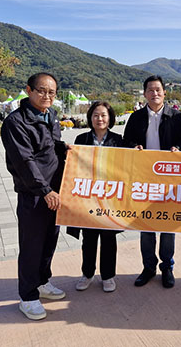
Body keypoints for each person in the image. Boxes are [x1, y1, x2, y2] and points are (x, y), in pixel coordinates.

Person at [1, 72, 68, 321]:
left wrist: (65, 149)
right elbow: (24, 161)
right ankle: (28, 296)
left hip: (54, 192)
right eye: (42, 90)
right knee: (31, 245)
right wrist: (45, 190)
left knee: (49, 240)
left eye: (52, 92)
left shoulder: (50, 116)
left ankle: (42, 282)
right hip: (34, 194)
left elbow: (51, 146)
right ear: (28, 90)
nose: (47, 96)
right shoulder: (15, 122)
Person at [123, 75, 181, 288]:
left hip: (169, 178)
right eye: (150, 90)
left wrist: (178, 149)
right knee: (147, 223)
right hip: (144, 178)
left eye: (158, 90)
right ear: (144, 94)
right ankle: (148, 267)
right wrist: (134, 147)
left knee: (168, 224)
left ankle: (167, 267)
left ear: (164, 93)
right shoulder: (136, 117)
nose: (155, 93)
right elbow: (127, 141)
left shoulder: (176, 117)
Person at [67, 101, 123, 293]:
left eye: (104, 115)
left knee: (108, 239)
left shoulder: (118, 140)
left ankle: (108, 276)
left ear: (110, 118)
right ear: (90, 118)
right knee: (88, 239)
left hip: (109, 198)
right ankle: (87, 274)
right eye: (96, 115)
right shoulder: (81, 139)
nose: (100, 119)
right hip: (87, 198)